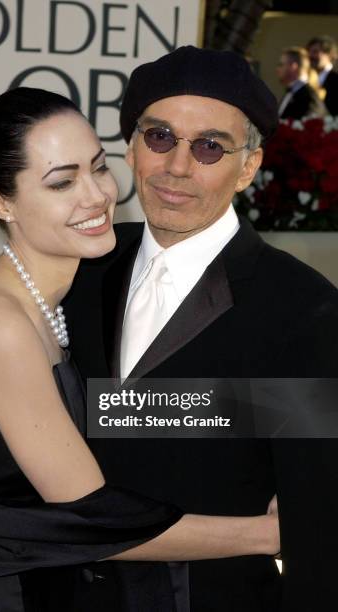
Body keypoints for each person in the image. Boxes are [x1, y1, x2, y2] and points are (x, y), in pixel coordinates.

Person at [0, 87, 279, 612]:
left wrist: (286, 410)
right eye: (61, 182)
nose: (97, 196)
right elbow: (91, 516)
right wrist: (269, 534)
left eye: (98, 167)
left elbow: (110, 406)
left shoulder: (61, 289)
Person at [64, 46, 338, 611]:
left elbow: (316, 532)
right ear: (132, 145)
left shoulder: (306, 309)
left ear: (248, 168)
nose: (178, 166)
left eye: (210, 146)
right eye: (160, 136)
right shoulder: (77, 274)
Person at [276, 46, 326, 119]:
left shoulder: (309, 96)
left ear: (293, 66)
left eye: (281, 64)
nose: (277, 69)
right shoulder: (290, 92)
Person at [307, 35, 338, 116]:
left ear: (331, 54)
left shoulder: (335, 79)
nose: (310, 56)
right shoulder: (307, 81)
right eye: (309, 52)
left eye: (315, 51)